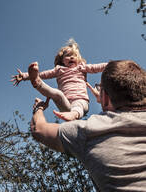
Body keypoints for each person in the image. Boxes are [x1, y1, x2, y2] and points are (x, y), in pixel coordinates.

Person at [30, 60, 146, 191]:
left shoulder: (91, 131)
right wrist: (104, 98)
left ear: (106, 97)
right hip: (83, 102)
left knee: (59, 96)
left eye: (99, 88)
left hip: (81, 104)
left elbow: (38, 129)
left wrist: (38, 108)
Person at [11, 39, 107, 121]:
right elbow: (43, 74)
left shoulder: (82, 67)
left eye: (74, 55)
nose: (72, 57)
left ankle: (74, 114)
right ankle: (37, 83)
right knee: (57, 94)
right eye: (68, 55)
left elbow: (97, 67)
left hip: (81, 101)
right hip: (65, 103)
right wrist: (25, 76)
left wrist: (111, 65)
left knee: (78, 105)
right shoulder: (59, 70)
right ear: (62, 60)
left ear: (79, 59)